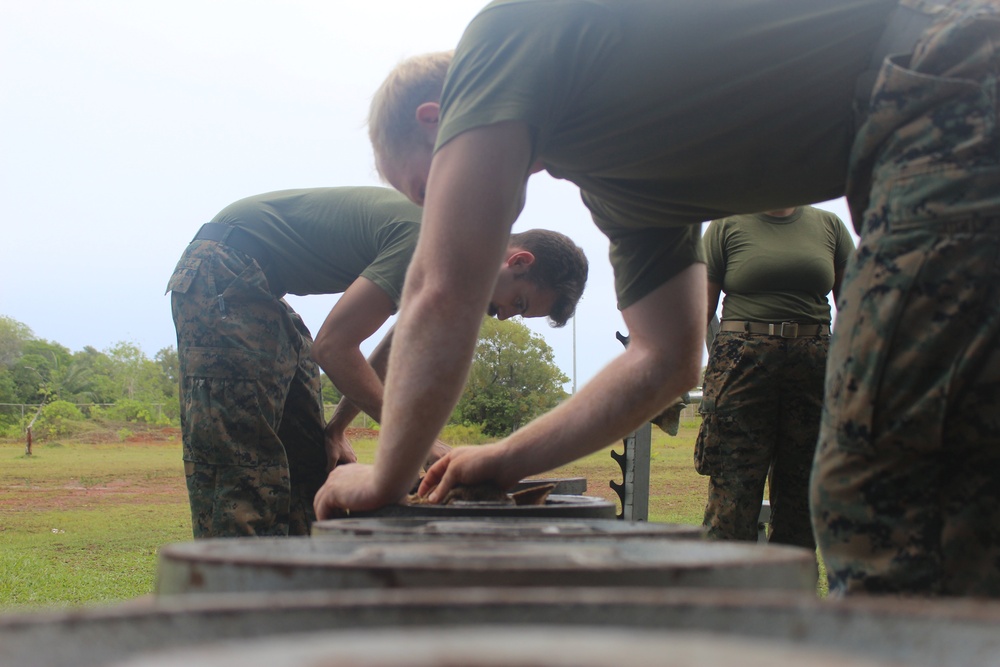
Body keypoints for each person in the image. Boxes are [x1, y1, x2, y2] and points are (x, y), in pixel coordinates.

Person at [315, 1, 1000, 597]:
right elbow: (668, 360)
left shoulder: (503, 35)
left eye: (425, 191)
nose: (438, 215)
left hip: (948, 72)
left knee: (886, 505)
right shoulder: (624, 182)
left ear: (439, 121)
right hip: (926, 112)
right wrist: (502, 457)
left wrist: (384, 481)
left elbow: (443, 287)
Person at [167, 186, 587, 537]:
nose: (505, 314)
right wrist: (418, 443)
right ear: (518, 261)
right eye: (518, 302)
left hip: (261, 289)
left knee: (311, 463)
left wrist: (336, 428)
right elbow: (332, 346)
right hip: (224, 271)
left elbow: (389, 347)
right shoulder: (439, 240)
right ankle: (237, 618)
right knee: (243, 475)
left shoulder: (452, 269)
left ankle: (300, 605)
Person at [695, 206, 854, 549]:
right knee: (733, 496)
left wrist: (854, 372)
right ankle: (723, 596)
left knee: (805, 496)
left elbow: (857, 308)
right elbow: (699, 312)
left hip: (815, 368)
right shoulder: (726, 226)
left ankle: (794, 598)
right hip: (741, 367)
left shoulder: (829, 226)